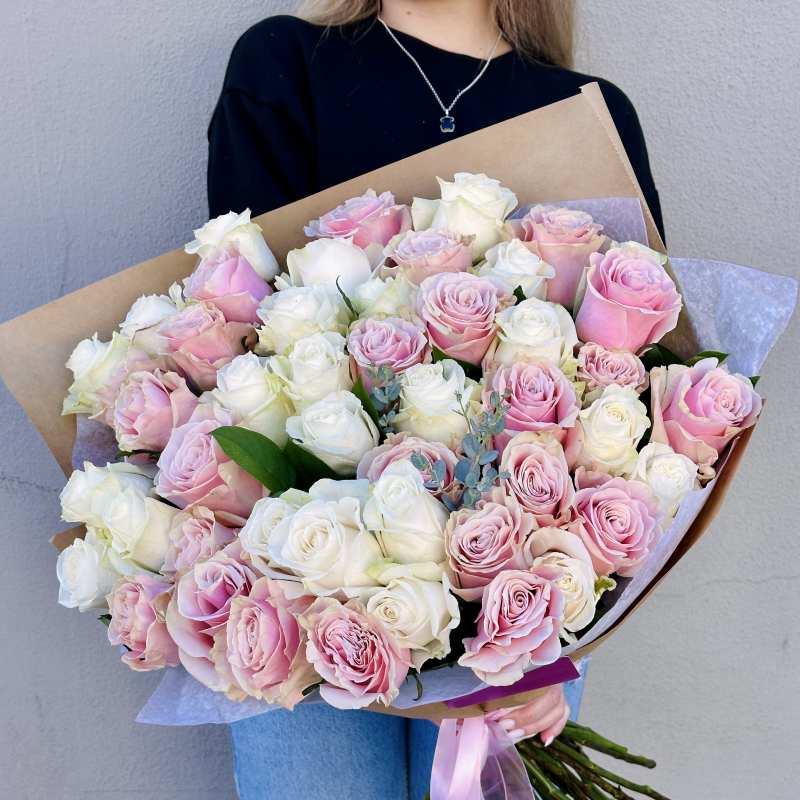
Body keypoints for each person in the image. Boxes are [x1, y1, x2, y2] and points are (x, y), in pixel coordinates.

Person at [211, 2, 659, 798]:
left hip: (512, 604)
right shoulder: (284, 65)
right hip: (300, 582)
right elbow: (238, 323)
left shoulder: (587, 113)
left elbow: (632, 384)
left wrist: (552, 641)